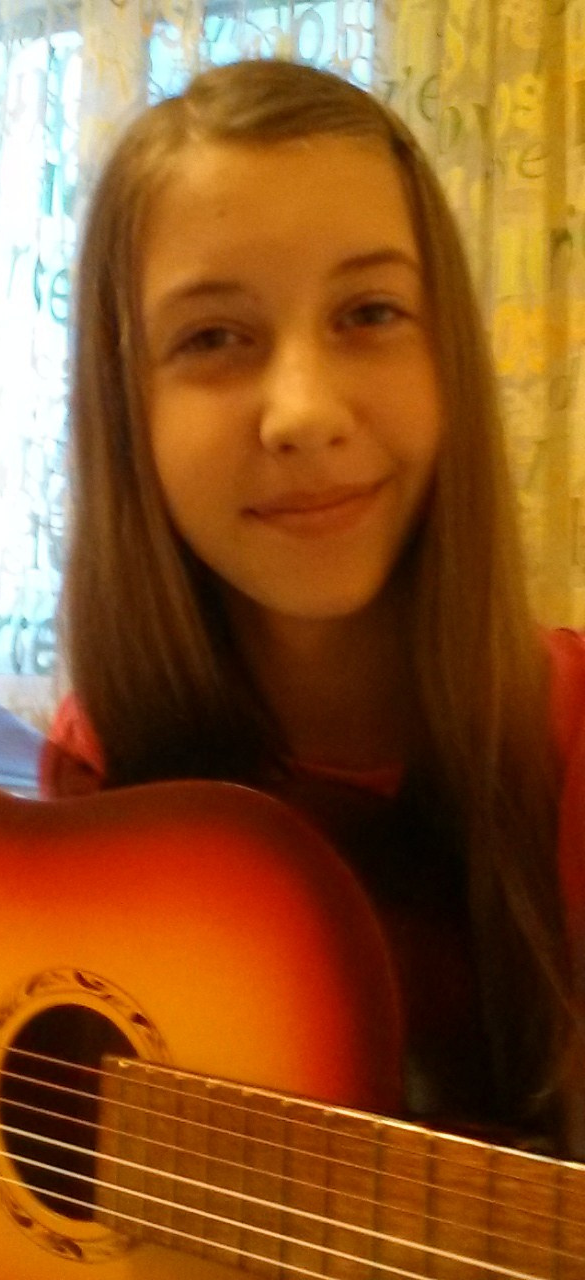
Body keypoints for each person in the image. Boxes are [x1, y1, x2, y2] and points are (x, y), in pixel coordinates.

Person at [46, 58, 585, 1159]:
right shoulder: (98, 760)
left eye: (370, 312)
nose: (302, 412)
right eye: (212, 337)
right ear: (128, 412)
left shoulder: (569, 741)